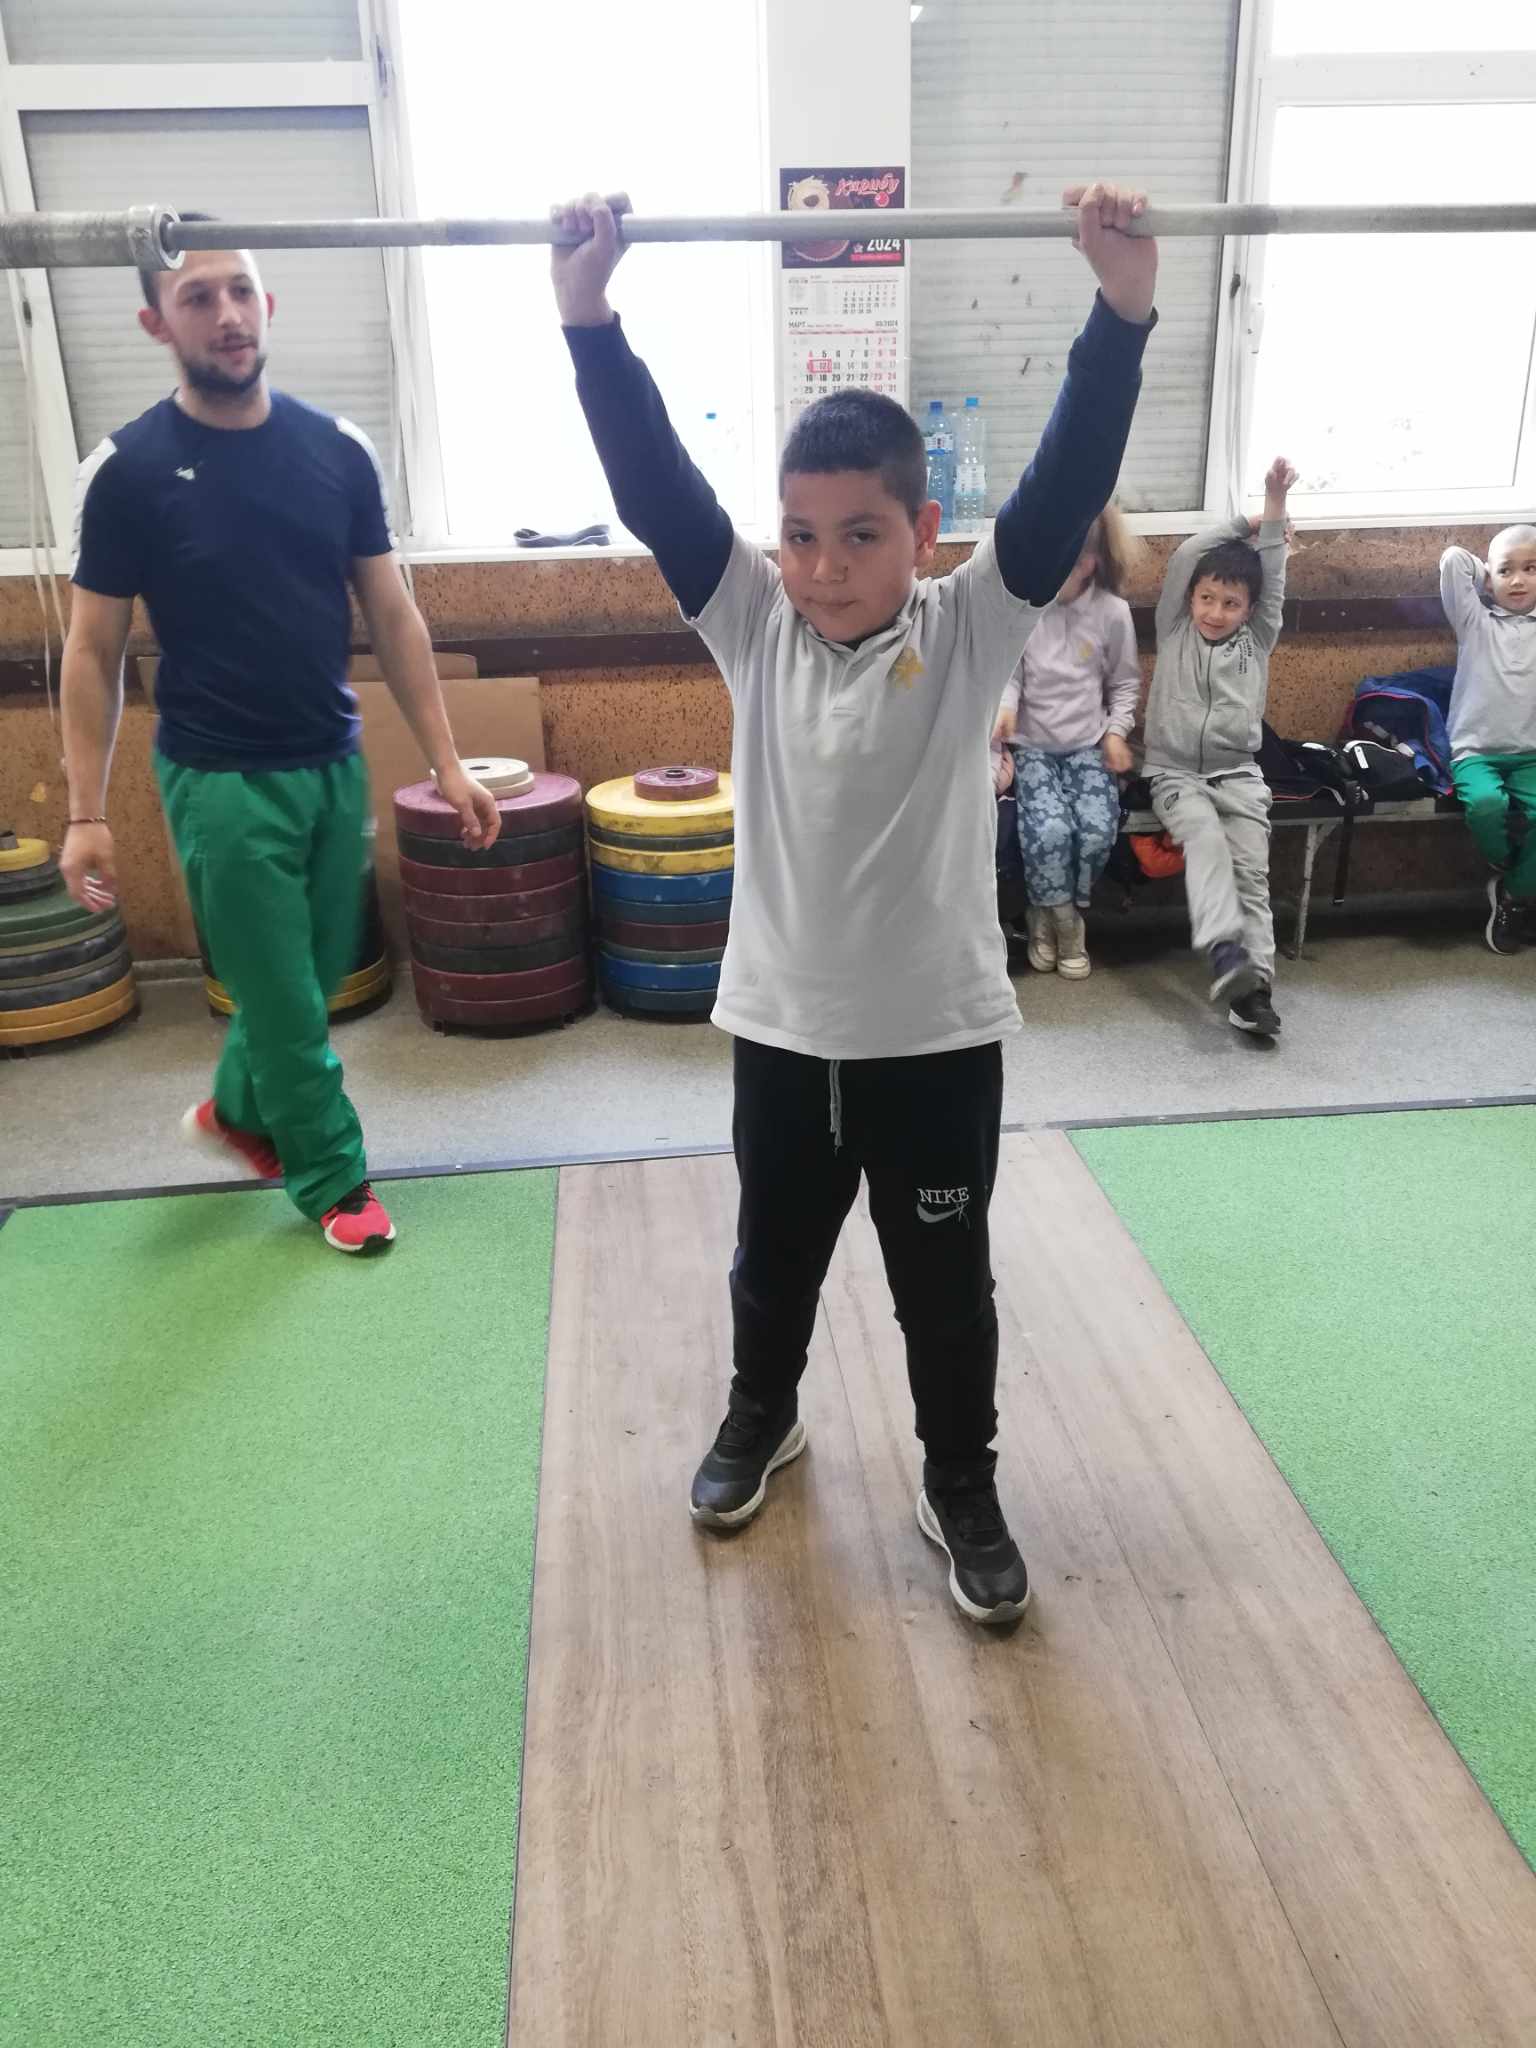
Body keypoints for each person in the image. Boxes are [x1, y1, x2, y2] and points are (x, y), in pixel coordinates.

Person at [552, 183, 1157, 1624]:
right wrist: (588, 319)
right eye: (802, 536)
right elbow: (655, 485)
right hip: (782, 1031)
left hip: (934, 1041)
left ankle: (961, 1478)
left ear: (923, 533)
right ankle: (764, 1413)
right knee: (772, 1261)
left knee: (945, 1285)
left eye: (862, 535)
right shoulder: (751, 622)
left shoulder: (971, 627)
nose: (825, 568)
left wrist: (1122, 312)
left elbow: (1066, 481)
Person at [60, 217, 500, 1252]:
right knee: (293, 1006)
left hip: (331, 760)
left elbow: (392, 614)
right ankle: (335, 1181)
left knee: (306, 969)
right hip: (219, 778)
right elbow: (92, 649)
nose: (226, 315)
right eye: (197, 297)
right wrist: (84, 812)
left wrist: (446, 761)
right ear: (156, 323)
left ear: (268, 305)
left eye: (239, 292)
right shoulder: (125, 471)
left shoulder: (335, 450)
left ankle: (236, 1110)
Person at [1143, 458, 1297, 1037]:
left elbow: (1273, 573)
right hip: (1173, 774)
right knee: (1205, 840)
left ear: (1250, 610)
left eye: (1230, 603)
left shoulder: (1257, 638)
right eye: (1207, 599)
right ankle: (1226, 952)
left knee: (1251, 872)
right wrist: (1246, 520)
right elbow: (1187, 555)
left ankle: (1254, 991)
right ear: (1191, 599)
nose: (1215, 612)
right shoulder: (1174, 628)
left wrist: (1276, 509)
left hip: (1239, 774)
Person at [991, 503, 1142, 978]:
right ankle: (1056, 924)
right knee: (1049, 831)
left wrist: (1116, 733)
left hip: (1087, 746)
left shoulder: (1113, 613)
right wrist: (1006, 707)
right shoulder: (1026, 609)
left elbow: (1125, 684)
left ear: (1088, 564)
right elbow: (1012, 674)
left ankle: (1058, 912)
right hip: (1033, 748)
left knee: (1095, 831)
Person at [1438, 527, 1536, 953]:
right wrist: (1487, 573)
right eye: (1506, 571)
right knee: (1486, 804)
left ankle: (1513, 894)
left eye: (1531, 569)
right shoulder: (1474, 622)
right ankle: (1509, 864)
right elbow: (1452, 561)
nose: (1518, 580)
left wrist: (1501, 569)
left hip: (1531, 756)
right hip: (1476, 753)